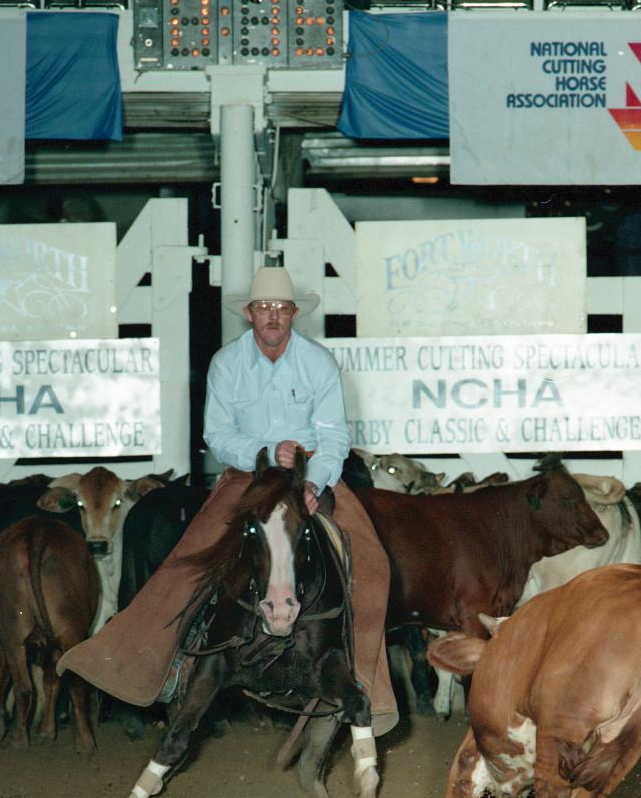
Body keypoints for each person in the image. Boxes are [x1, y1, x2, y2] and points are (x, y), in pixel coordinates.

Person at [58, 266, 398, 742]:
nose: (273, 316)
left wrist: (313, 483)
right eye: (264, 308)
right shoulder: (226, 364)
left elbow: (335, 437)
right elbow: (217, 436)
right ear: (249, 313)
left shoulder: (318, 363)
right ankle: (156, 664)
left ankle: (366, 684)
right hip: (246, 475)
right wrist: (266, 450)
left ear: (294, 313)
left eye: (281, 308)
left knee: (372, 561)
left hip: (313, 475)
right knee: (189, 559)